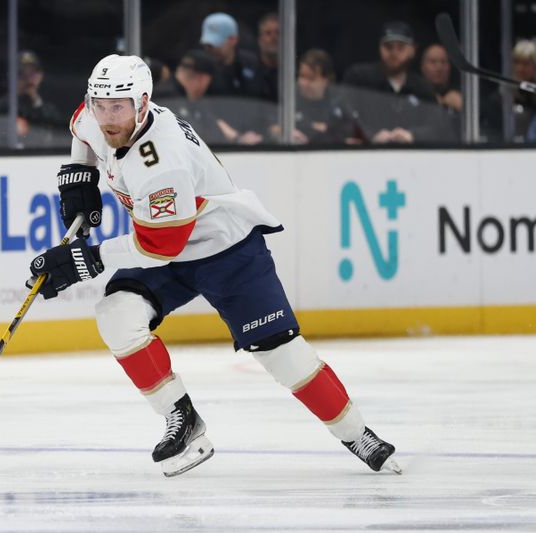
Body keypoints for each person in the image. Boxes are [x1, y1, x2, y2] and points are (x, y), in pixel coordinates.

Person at [26, 54, 401, 477]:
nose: (108, 118)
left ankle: (357, 434)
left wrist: (86, 259)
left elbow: (158, 246)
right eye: (101, 105)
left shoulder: (162, 161)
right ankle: (182, 419)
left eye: (119, 107)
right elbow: (82, 127)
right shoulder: (96, 116)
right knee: (116, 314)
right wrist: (80, 173)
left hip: (227, 249)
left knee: (282, 354)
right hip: (168, 246)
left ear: (142, 104)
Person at [342, 21, 445, 144]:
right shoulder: (360, 79)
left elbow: (437, 126)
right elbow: (344, 115)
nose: (394, 53)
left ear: (412, 50)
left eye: (400, 47)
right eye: (388, 47)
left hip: (412, 153)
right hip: (369, 152)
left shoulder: (423, 88)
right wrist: (371, 136)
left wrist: (412, 135)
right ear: (380, 48)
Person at [270, 48, 356, 144]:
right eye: (302, 76)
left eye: (311, 78)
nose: (304, 83)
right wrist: (284, 132)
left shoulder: (338, 102)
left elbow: (348, 133)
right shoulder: (289, 98)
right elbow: (272, 128)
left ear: (326, 80)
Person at [0, 50, 64, 141]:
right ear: (11, 76)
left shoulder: (49, 111)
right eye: (21, 73)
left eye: (33, 73)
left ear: (41, 75)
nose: (28, 79)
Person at [199, 12, 261, 97]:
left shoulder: (252, 64)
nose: (209, 48)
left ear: (233, 40)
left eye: (215, 43)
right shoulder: (199, 68)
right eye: (207, 44)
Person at [420, 43, 462, 113]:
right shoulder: (413, 94)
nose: (439, 68)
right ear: (422, 67)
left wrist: (463, 107)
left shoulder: (462, 93)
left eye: (443, 62)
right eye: (433, 62)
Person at [256, 12, 280, 102]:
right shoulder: (252, 73)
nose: (274, 37)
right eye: (268, 33)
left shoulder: (292, 74)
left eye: (278, 33)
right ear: (260, 40)